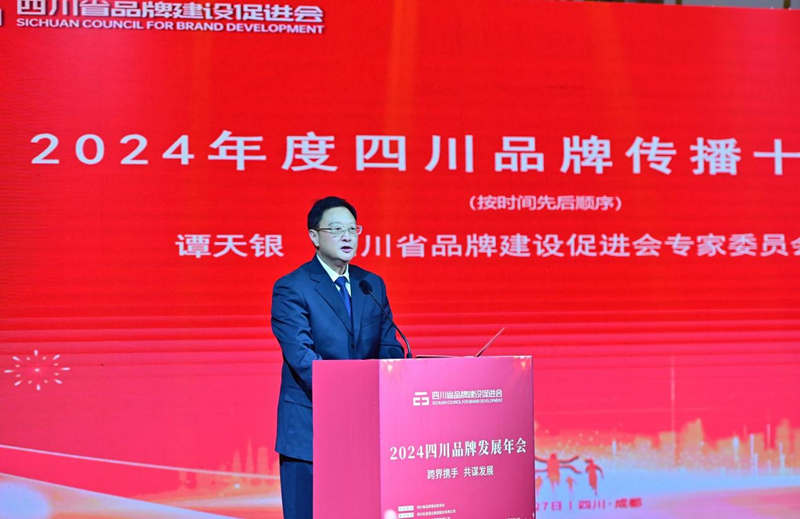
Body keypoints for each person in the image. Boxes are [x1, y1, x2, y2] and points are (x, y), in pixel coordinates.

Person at [271, 196, 405, 519]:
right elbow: (302, 357)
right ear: (314, 236)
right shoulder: (292, 287)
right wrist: (354, 391)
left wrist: (394, 377)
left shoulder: (371, 285)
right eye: (336, 229)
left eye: (352, 229)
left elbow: (389, 346)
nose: (347, 237)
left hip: (364, 432)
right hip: (310, 432)